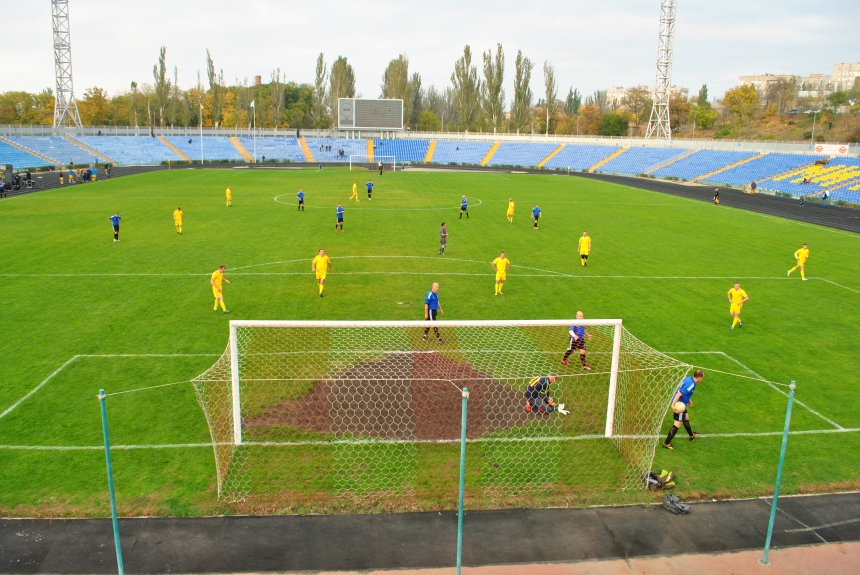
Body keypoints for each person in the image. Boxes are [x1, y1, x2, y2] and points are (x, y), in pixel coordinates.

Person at [662, 370, 704, 450]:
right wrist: (673, 405)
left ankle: (691, 435)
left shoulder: (689, 379)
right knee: (677, 424)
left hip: (681, 403)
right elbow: (679, 393)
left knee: (686, 417)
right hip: (679, 405)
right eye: (702, 378)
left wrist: (688, 400)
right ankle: (666, 443)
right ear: (699, 378)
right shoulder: (691, 384)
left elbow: (683, 390)